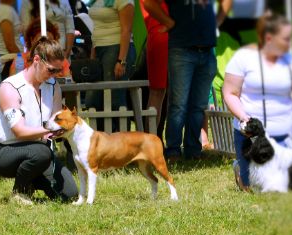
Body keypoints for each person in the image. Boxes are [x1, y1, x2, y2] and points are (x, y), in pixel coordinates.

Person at [221, 11, 292, 190]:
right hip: (252, 136)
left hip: (285, 136)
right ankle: (242, 170)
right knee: (253, 187)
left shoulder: (290, 61)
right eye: (286, 39)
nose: (290, 43)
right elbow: (230, 93)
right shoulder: (242, 58)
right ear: (269, 38)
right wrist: (243, 117)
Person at [0, 36, 79, 205]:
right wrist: (49, 131)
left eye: (58, 71)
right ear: (36, 60)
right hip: (5, 151)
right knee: (42, 152)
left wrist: (65, 130)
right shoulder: (10, 86)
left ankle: (31, 180)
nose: (54, 75)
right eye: (51, 70)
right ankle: (19, 192)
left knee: (70, 195)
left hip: (40, 152)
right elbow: (19, 131)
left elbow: (56, 123)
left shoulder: (54, 87)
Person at [148, 0, 219, 160]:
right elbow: (148, 3)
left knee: (199, 105)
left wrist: (219, 18)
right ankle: (173, 150)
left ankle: (193, 150)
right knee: (179, 104)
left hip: (207, 50)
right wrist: (168, 22)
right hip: (182, 50)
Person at [83, 0, 135, 115]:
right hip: (98, 49)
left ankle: (121, 132)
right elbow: (97, 28)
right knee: (92, 101)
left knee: (115, 101)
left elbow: (126, 30)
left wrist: (121, 61)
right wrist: (93, 54)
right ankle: (101, 133)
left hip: (116, 49)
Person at [141, 0, 169, 138]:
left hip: (155, 35)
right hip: (164, 35)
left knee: (157, 93)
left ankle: (150, 138)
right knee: (158, 93)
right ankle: (151, 139)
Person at [0, 0, 24, 79]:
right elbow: (10, 45)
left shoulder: (6, 9)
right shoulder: (5, 11)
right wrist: (23, 59)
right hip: (7, 62)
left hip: (9, 60)